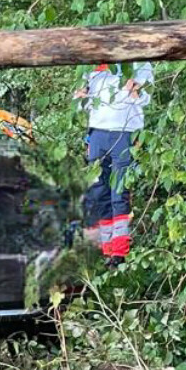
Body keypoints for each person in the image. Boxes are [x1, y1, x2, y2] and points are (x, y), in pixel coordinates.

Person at [73, 61, 153, 263]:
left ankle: (120, 248)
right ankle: (106, 246)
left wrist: (133, 89)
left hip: (125, 132)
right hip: (97, 132)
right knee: (99, 191)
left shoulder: (140, 63)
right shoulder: (92, 64)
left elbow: (145, 98)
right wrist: (81, 96)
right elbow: (82, 100)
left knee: (119, 190)